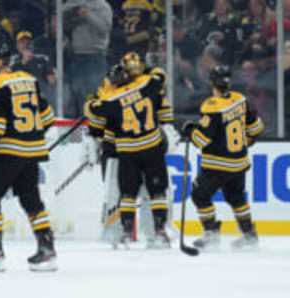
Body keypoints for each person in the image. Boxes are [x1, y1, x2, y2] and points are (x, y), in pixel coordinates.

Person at [0, 43, 57, 272]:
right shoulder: (28, 79)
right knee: (31, 200)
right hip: (32, 151)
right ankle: (47, 250)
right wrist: (32, 136)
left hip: (9, 151)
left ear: (0, 62)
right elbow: (48, 117)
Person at [84, 52, 176, 248]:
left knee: (126, 194)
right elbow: (161, 76)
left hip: (126, 151)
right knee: (157, 192)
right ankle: (159, 232)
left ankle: (125, 234)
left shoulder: (112, 98)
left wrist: (101, 92)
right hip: (152, 147)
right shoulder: (149, 84)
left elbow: (91, 109)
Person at [181, 65, 265, 250]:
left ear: (212, 82)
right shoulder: (241, 100)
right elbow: (256, 129)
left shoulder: (212, 106)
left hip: (218, 164)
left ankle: (211, 233)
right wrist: (244, 143)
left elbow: (201, 140)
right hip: (240, 161)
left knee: (199, 195)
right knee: (236, 198)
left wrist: (190, 131)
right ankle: (249, 234)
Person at [63, 0, 113, 118]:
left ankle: (93, 133)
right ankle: (75, 135)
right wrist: (73, 13)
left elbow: (105, 29)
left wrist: (87, 15)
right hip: (75, 57)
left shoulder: (102, 6)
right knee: (74, 98)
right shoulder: (74, 3)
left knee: (93, 98)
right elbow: (62, 13)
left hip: (95, 57)